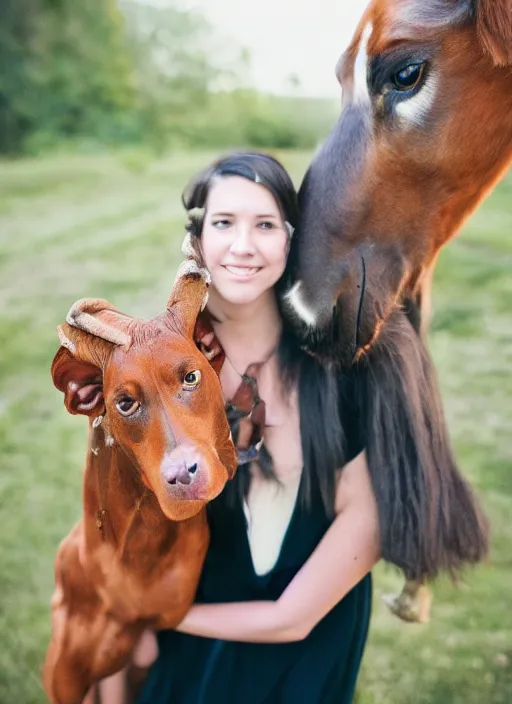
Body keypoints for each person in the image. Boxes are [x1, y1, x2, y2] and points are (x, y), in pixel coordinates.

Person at [90, 151, 377, 704]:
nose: (243, 246)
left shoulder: (343, 375)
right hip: (189, 671)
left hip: (309, 660)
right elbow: (112, 564)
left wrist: (160, 616)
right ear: (196, 240)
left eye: (265, 225)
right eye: (224, 223)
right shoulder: (146, 381)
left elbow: (297, 617)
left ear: (292, 241)